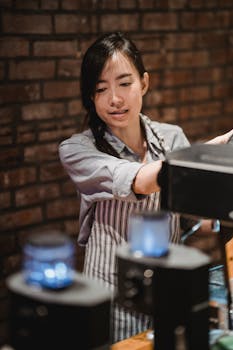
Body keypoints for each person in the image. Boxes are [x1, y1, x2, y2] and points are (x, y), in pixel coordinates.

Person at [59, 31, 233, 343]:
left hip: (170, 297)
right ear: (91, 97)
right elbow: (138, 180)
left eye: (125, 83)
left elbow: (192, 219)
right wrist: (211, 153)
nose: (115, 98)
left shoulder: (171, 138)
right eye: (101, 89)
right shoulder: (77, 150)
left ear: (144, 83)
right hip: (113, 304)